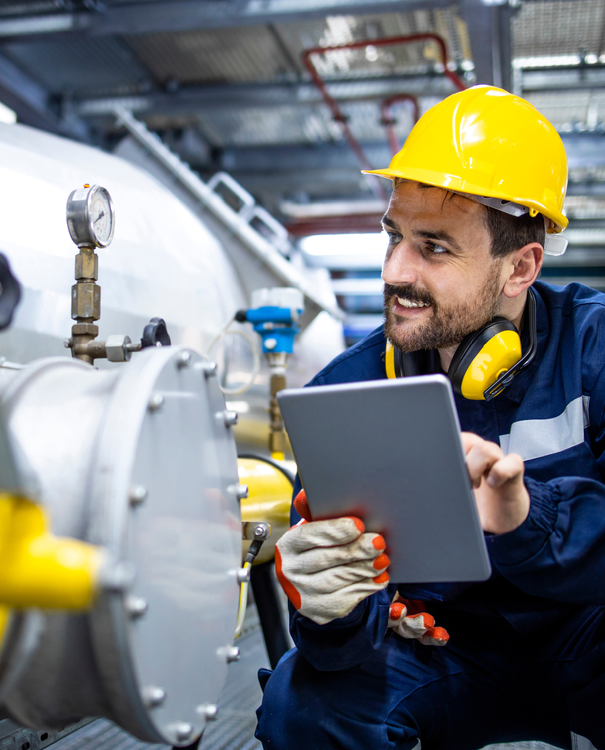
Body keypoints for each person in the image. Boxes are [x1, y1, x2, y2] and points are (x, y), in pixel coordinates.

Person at [255, 86, 605, 750]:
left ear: (521, 267)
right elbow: (336, 648)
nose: (395, 271)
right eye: (394, 236)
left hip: (586, 634)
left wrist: (529, 521)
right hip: (440, 652)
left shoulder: (595, 346)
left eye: (434, 248)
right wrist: (329, 610)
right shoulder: (346, 389)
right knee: (301, 706)